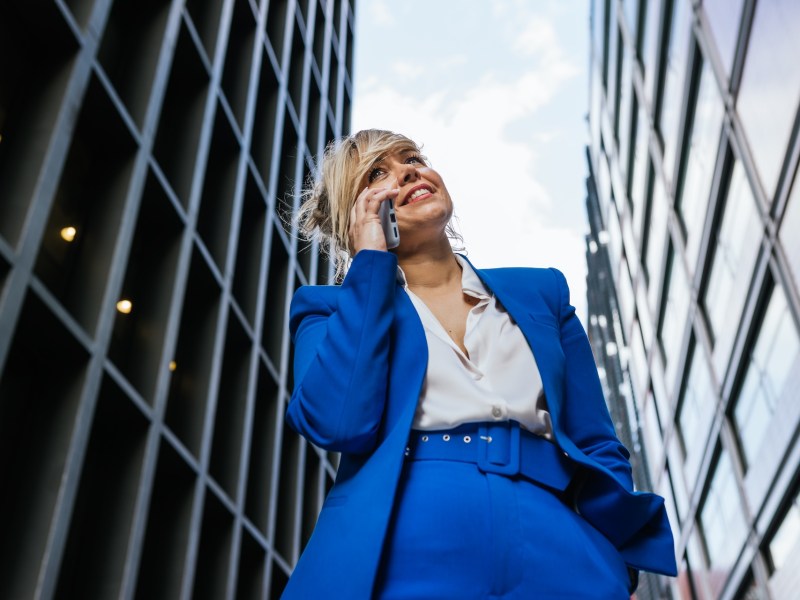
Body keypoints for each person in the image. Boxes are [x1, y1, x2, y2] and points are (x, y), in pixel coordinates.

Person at [282, 129, 676, 599]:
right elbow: (339, 423)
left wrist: (609, 553)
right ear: (356, 214)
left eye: (412, 158)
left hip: (558, 538)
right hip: (410, 541)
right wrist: (369, 266)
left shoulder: (542, 293)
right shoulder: (328, 310)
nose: (408, 170)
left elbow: (597, 440)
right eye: (377, 173)